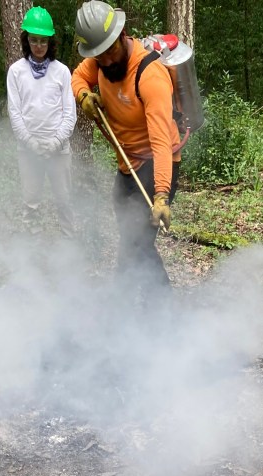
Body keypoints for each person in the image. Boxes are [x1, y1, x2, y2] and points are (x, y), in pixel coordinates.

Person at [71, 1, 179, 292]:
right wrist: (83, 96)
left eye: (109, 51)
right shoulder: (99, 60)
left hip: (157, 161)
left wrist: (161, 195)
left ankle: (164, 312)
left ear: (122, 35)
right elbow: (78, 76)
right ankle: (124, 297)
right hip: (127, 164)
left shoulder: (150, 74)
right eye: (98, 55)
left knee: (138, 242)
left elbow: (161, 142)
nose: (105, 61)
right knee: (129, 237)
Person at [7, 6, 76, 236]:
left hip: (59, 149)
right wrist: (31, 143)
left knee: (64, 200)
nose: (38, 46)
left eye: (43, 41)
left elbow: (70, 114)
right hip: (28, 150)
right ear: (27, 41)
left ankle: (68, 245)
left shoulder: (62, 72)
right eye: (34, 40)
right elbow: (15, 113)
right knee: (31, 201)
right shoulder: (16, 72)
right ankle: (32, 250)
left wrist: (55, 142)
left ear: (50, 42)